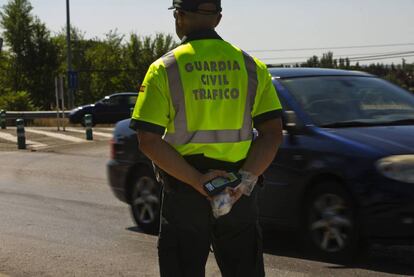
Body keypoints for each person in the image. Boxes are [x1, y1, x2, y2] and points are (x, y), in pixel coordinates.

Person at [130, 0, 283, 276]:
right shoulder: (251, 67)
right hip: (236, 194)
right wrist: (244, 182)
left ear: (179, 16)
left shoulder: (164, 69)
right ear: (218, 19)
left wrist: (198, 181)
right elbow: (272, 133)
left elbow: (148, 140)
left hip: (185, 195)